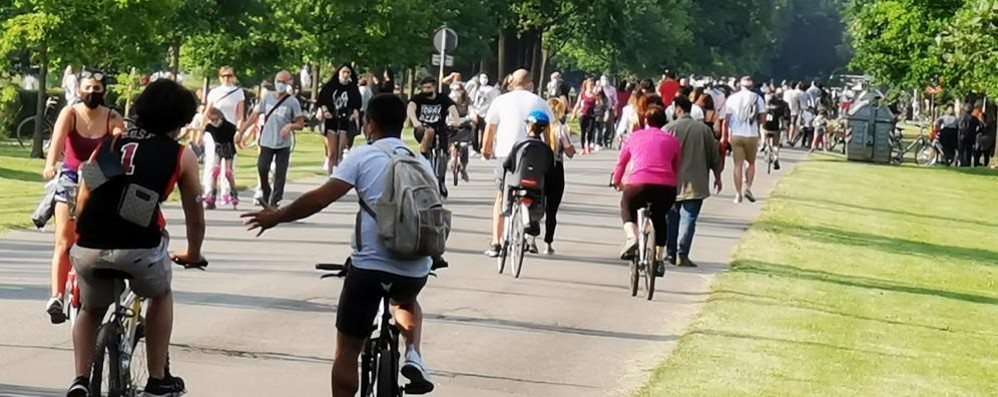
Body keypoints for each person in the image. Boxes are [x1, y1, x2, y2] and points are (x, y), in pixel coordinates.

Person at [241, 94, 436, 396]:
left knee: (348, 348)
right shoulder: (421, 162)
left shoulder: (362, 156)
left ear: (369, 124)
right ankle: (414, 353)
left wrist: (277, 216)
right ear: (402, 126)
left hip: (369, 269)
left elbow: (319, 199)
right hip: (415, 266)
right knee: (405, 300)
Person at [66, 79, 205, 397]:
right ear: (180, 121)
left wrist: (83, 233)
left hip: (89, 244)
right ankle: (157, 380)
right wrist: (194, 253)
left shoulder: (110, 145)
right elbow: (194, 215)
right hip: (139, 247)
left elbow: (86, 189)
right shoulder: (180, 156)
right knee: (161, 294)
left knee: (90, 309)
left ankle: (80, 380)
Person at [43, 69, 127, 324]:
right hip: (70, 175)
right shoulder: (70, 114)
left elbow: (119, 138)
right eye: (88, 88)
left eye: (97, 89)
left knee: (101, 233)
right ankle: (57, 295)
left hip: (97, 175)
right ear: (79, 90)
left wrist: (117, 137)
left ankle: (97, 282)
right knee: (64, 240)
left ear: (104, 92)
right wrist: (50, 165)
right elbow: (57, 141)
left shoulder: (112, 116)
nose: (92, 93)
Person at [482, 69, 555, 257]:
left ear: (512, 82)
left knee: (501, 195)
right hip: (534, 154)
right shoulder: (540, 102)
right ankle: (531, 226)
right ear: (530, 83)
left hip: (507, 153)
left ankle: (496, 242)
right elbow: (549, 134)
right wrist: (549, 154)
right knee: (536, 189)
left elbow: (490, 128)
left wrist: (486, 148)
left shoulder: (501, 100)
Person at [612, 101, 681, 272]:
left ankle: (632, 238)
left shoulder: (634, 137)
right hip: (665, 187)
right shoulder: (673, 141)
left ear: (645, 121)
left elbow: (622, 163)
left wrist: (617, 181)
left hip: (638, 183)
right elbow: (677, 166)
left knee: (627, 206)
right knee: (659, 218)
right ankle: (658, 259)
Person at [663, 97, 722, 269]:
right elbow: (714, 156)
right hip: (696, 182)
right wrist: (717, 177)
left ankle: (670, 252)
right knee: (689, 219)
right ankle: (683, 254)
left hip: (671, 181)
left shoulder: (668, 129)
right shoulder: (704, 130)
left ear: (678, 109)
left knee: (670, 218)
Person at [238, 70, 304, 208]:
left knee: (280, 173)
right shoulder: (267, 97)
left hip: (283, 143)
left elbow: (300, 124)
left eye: (283, 82)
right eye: (278, 81)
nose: (280, 84)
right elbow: (254, 116)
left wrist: (290, 126)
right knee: (262, 168)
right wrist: (241, 131)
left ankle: (275, 200)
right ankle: (265, 189)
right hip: (267, 140)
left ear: (289, 83)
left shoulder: (292, 102)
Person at [501, 111, 557, 253]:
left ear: (529, 127)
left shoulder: (520, 144)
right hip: (537, 186)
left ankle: (506, 209)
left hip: (518, 182)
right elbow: (550, 170)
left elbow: (507, 163)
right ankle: (533, 221)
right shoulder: (547, 149)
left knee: (507, 180)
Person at [407, 76, 461, 197]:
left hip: (440, 128)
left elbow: (452, 108)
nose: (426, 90)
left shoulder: (442, 98)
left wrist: (456, 120)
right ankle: (425, 155)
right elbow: (411, 108)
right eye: (424, 88)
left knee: (444, 144)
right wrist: (415, 121)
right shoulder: (418, 98)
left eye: (429, 87)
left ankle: (441, 179)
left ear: (435, 87)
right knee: (429, 132)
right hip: (422, 129)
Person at [202, 66, 246, 205]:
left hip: (229, 133)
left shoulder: (238, 92)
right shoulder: (214, 92)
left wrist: (239, 131)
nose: (227, 78)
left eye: (229, 76)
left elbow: (240, 115)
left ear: (233, 77)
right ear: (220, 77)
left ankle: (226, 193)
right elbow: (207, 112)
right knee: (211, 163)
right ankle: (209, 192)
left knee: (228, 166)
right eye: (224, 76)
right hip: (215, 132)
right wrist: (201, 131)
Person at [540, 97, 576, 255]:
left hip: (539, 169)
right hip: (555, 169)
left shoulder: (537, 127)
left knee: (536, 204)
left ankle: (530, 238)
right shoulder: (561, 128)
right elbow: (570, 153)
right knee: (551, 210)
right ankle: (548, 243)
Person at [723, 76, 766, 204]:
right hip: (752, 134)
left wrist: (727, 135)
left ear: (740, 85)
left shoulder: (732, 98)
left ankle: (738, 194)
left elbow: (727, 120)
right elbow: (763, 120)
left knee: (738, 165)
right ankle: (748, 188)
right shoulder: (757, 99)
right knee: (751, 163)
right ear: (752, 86)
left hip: (737, 134)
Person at [318, 64, 362, 175]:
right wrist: (325, 111)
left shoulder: (353, 88)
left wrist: (355, 112)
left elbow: (357, 104)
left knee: (341, 150)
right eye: (344, 72)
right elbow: (322, 100)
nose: (346, 75)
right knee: (332, 152)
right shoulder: (331, 86)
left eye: (348, 72)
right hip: (331, 120)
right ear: (339, 73)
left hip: (345, 121)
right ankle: (330, 174)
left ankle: (339, 174)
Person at [197, 107, 239, 209]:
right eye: (211, 120)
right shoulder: (210, 127)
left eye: (215, 119)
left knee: (228, 173)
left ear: (220, 116)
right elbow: (201, 129)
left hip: (228, 148)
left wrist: (240, 137)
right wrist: (199, 138)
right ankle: (212, 195)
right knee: (215, 171)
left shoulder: (229, 126)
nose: (214, 122)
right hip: (219, 148)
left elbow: (238, 132)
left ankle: (233, 193)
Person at [448, 82, 475, 184]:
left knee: (464, 146)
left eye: (458, 89)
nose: (456, 92)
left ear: (462, 90)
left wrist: (471, 117)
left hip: (464, 124)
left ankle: (463, 168)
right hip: (451, 124)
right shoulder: (449, 100)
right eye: (454, 89)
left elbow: (472, 111)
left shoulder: (467, 101)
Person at [471, 74, 499, 156]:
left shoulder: (491, 90)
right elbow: (472, 100)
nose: (484, 79)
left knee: (484, 131)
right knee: (474, 130)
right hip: (477, 112)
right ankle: (474, 148)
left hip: (486, 113)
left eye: (485, 77)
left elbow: (495, 100)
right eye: (482, 78)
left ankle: (482, 147)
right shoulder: (476, 89)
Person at [762, 93, 789, 170]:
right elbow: (781, 119)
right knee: (775, 145)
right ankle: (776, 157)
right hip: (775, 128)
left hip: (766, 128)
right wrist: (783, 127)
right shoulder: (779, 108)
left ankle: (765, 146)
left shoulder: (765, 108)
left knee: (763, 133)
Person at [572, 78, 597, 154]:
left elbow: (598, 105)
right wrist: (574, 113)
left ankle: (588, 146)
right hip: (583, 114)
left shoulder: (594, 95)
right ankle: (582, 148)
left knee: (590, 131)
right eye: (589, 85)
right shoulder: (582, 94)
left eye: (592, 85)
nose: (591, 86)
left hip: (591, 115)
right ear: (586, 85)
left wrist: (597, 98)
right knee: (583, 132)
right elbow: (577, 104)